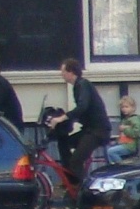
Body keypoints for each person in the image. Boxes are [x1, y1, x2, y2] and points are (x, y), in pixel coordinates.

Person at [41, 58, 110, 190]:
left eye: (63, 71)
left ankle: (85, 190)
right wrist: (64, 120)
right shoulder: (77, 87)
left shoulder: (83, 85)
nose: (61, 74)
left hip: (98, 131)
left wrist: (62, 118)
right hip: (89, 129)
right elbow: (82, 113)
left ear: (71, 72)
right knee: (64, 142)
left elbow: (82, 107)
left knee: (76, 161)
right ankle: (71, 180)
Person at [104, 95, 140, 165]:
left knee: (111, 151)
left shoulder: (135, 119)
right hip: (123, 143)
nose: (124, 109)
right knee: (107, 147)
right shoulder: (125, 119)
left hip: (130, 145)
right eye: (122, 107)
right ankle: (112, 165)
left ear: (133, 107)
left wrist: (125, 129)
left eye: (126, 107)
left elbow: (136, 133)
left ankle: (121, 166)